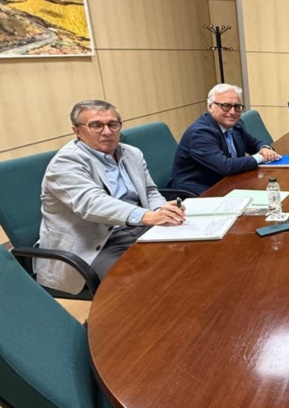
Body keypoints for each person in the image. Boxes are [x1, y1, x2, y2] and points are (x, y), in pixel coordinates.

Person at [38, 100, 186, 294]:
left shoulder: (132, 153)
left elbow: (150, 191)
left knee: (186, 259)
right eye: (96, 125)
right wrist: (146, 216)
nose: (107, 131)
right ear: (77, 131)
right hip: (96, 244)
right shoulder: (66, 162)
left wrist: (162, 211)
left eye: (112, 124)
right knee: (143, 285)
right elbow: (92, 203)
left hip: (139, 228)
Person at [169, 84, 280, 195]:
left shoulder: (234, 126)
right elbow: (225, 166)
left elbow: (255, 143)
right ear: (210, 107)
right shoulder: (200, 133)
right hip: (196, 191)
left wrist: (265, 149)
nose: (232, 112)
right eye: (226, 106)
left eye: (237, 106)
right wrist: (260, 157)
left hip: (226, 182)